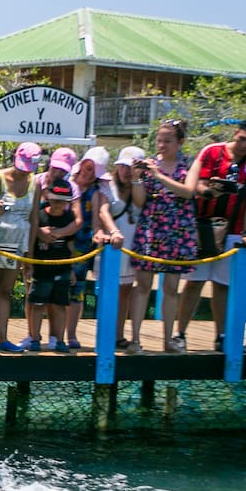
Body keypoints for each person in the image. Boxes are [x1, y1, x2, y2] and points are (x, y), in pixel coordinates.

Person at [177, 118, 246, 351]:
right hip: (202, 225)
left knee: (222, 285)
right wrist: (210, 192)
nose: (244, 145)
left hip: (234, 229)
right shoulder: (212, 151)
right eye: (241, 139)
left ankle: (221, 335)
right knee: (193, 283)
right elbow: (196, 184)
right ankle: (180, 333)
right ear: (235, 133)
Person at [127, 119, 198, 354]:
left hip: (178, 230)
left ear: (180, 142)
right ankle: (135, 340)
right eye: (159, 140)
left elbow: (188, 192)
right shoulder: (151, 165)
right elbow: (140, 201)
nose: (161, 145)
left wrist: (157, 175)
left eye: (167, 141)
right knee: (143, 285)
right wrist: (137, 177)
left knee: (170, 287)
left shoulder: (189, 164)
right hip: (151, 228)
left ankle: (168, 340)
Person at [22, 147, 82, 351]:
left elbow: (76, 224)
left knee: (59, 303)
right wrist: (37, 236)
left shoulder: (71, 188)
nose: (59, 172)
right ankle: (33, 336)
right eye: (56, 168)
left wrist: (55, 234)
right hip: (38, 259)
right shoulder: (36, 181)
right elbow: (31, 219)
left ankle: (58, 338)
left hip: (61, 263)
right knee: (35, 298)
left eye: (63, 170)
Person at [65, 146, 121, 349]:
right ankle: (51, 336)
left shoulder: (96, 193)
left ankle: (71, 334)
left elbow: (100, 217)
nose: (88, 174)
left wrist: (106, 232)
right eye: (87, 168)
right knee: (52, 288)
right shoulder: (66, 185)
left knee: (77, 289)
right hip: (60, 241)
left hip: (81, 246)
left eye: (93, 171)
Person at [0, 142, 41, 352]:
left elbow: (34, 219)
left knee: (5, 291)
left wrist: (29, 254)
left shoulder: (35, 183)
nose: (23, 171)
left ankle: (3, 338)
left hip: (16, 245)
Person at [108, 147, 145, 348]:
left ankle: (119, 335)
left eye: (130, 167)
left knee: (125, 293)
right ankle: (106, 333)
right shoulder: (108, 185)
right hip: (111, 248)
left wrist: (137, 179)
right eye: (123, 167)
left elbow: (140, 203)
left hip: (131, 248)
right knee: (108, 292)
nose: (126, 171)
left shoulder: (140, 186)